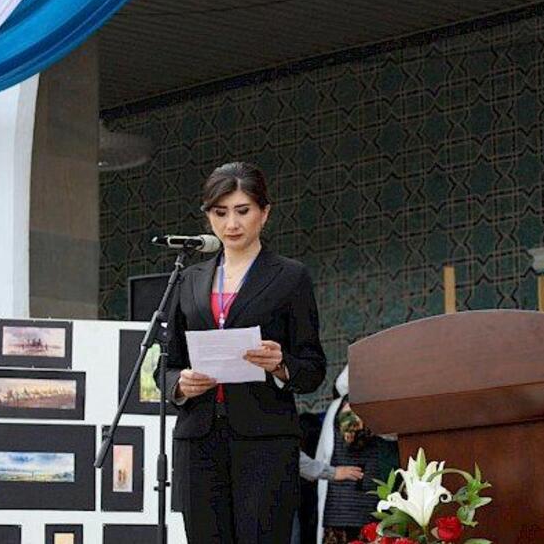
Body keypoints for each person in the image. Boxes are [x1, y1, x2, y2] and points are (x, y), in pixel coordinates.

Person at [158, 161, 327, 543]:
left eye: (242, 211)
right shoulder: (187, 279)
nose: (231, 224)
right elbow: (165, 365)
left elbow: (313, 367)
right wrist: (179, 384)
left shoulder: (290, 276)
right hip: (199, 441)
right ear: (208, 217)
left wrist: (281, 364)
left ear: (264, 213)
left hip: (265, 441)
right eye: (220, 213)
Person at [315, 366, 399, 544]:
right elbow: (352, 436)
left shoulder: (348, 403)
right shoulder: (351, 404)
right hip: (352, 507)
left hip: (353, 505)